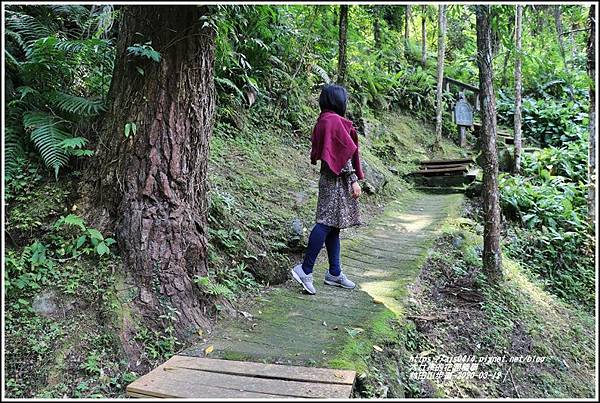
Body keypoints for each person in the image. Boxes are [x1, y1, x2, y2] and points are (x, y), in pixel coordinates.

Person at [290, 84, 364, 295]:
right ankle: (304, 270)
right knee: (324, 223)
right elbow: (343, 153)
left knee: (333, 226)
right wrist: (353, 179)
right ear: (338, 101)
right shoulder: (333, 121)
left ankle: (334, 272)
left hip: (330, 177)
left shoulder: (324, 119)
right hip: (336, 179)